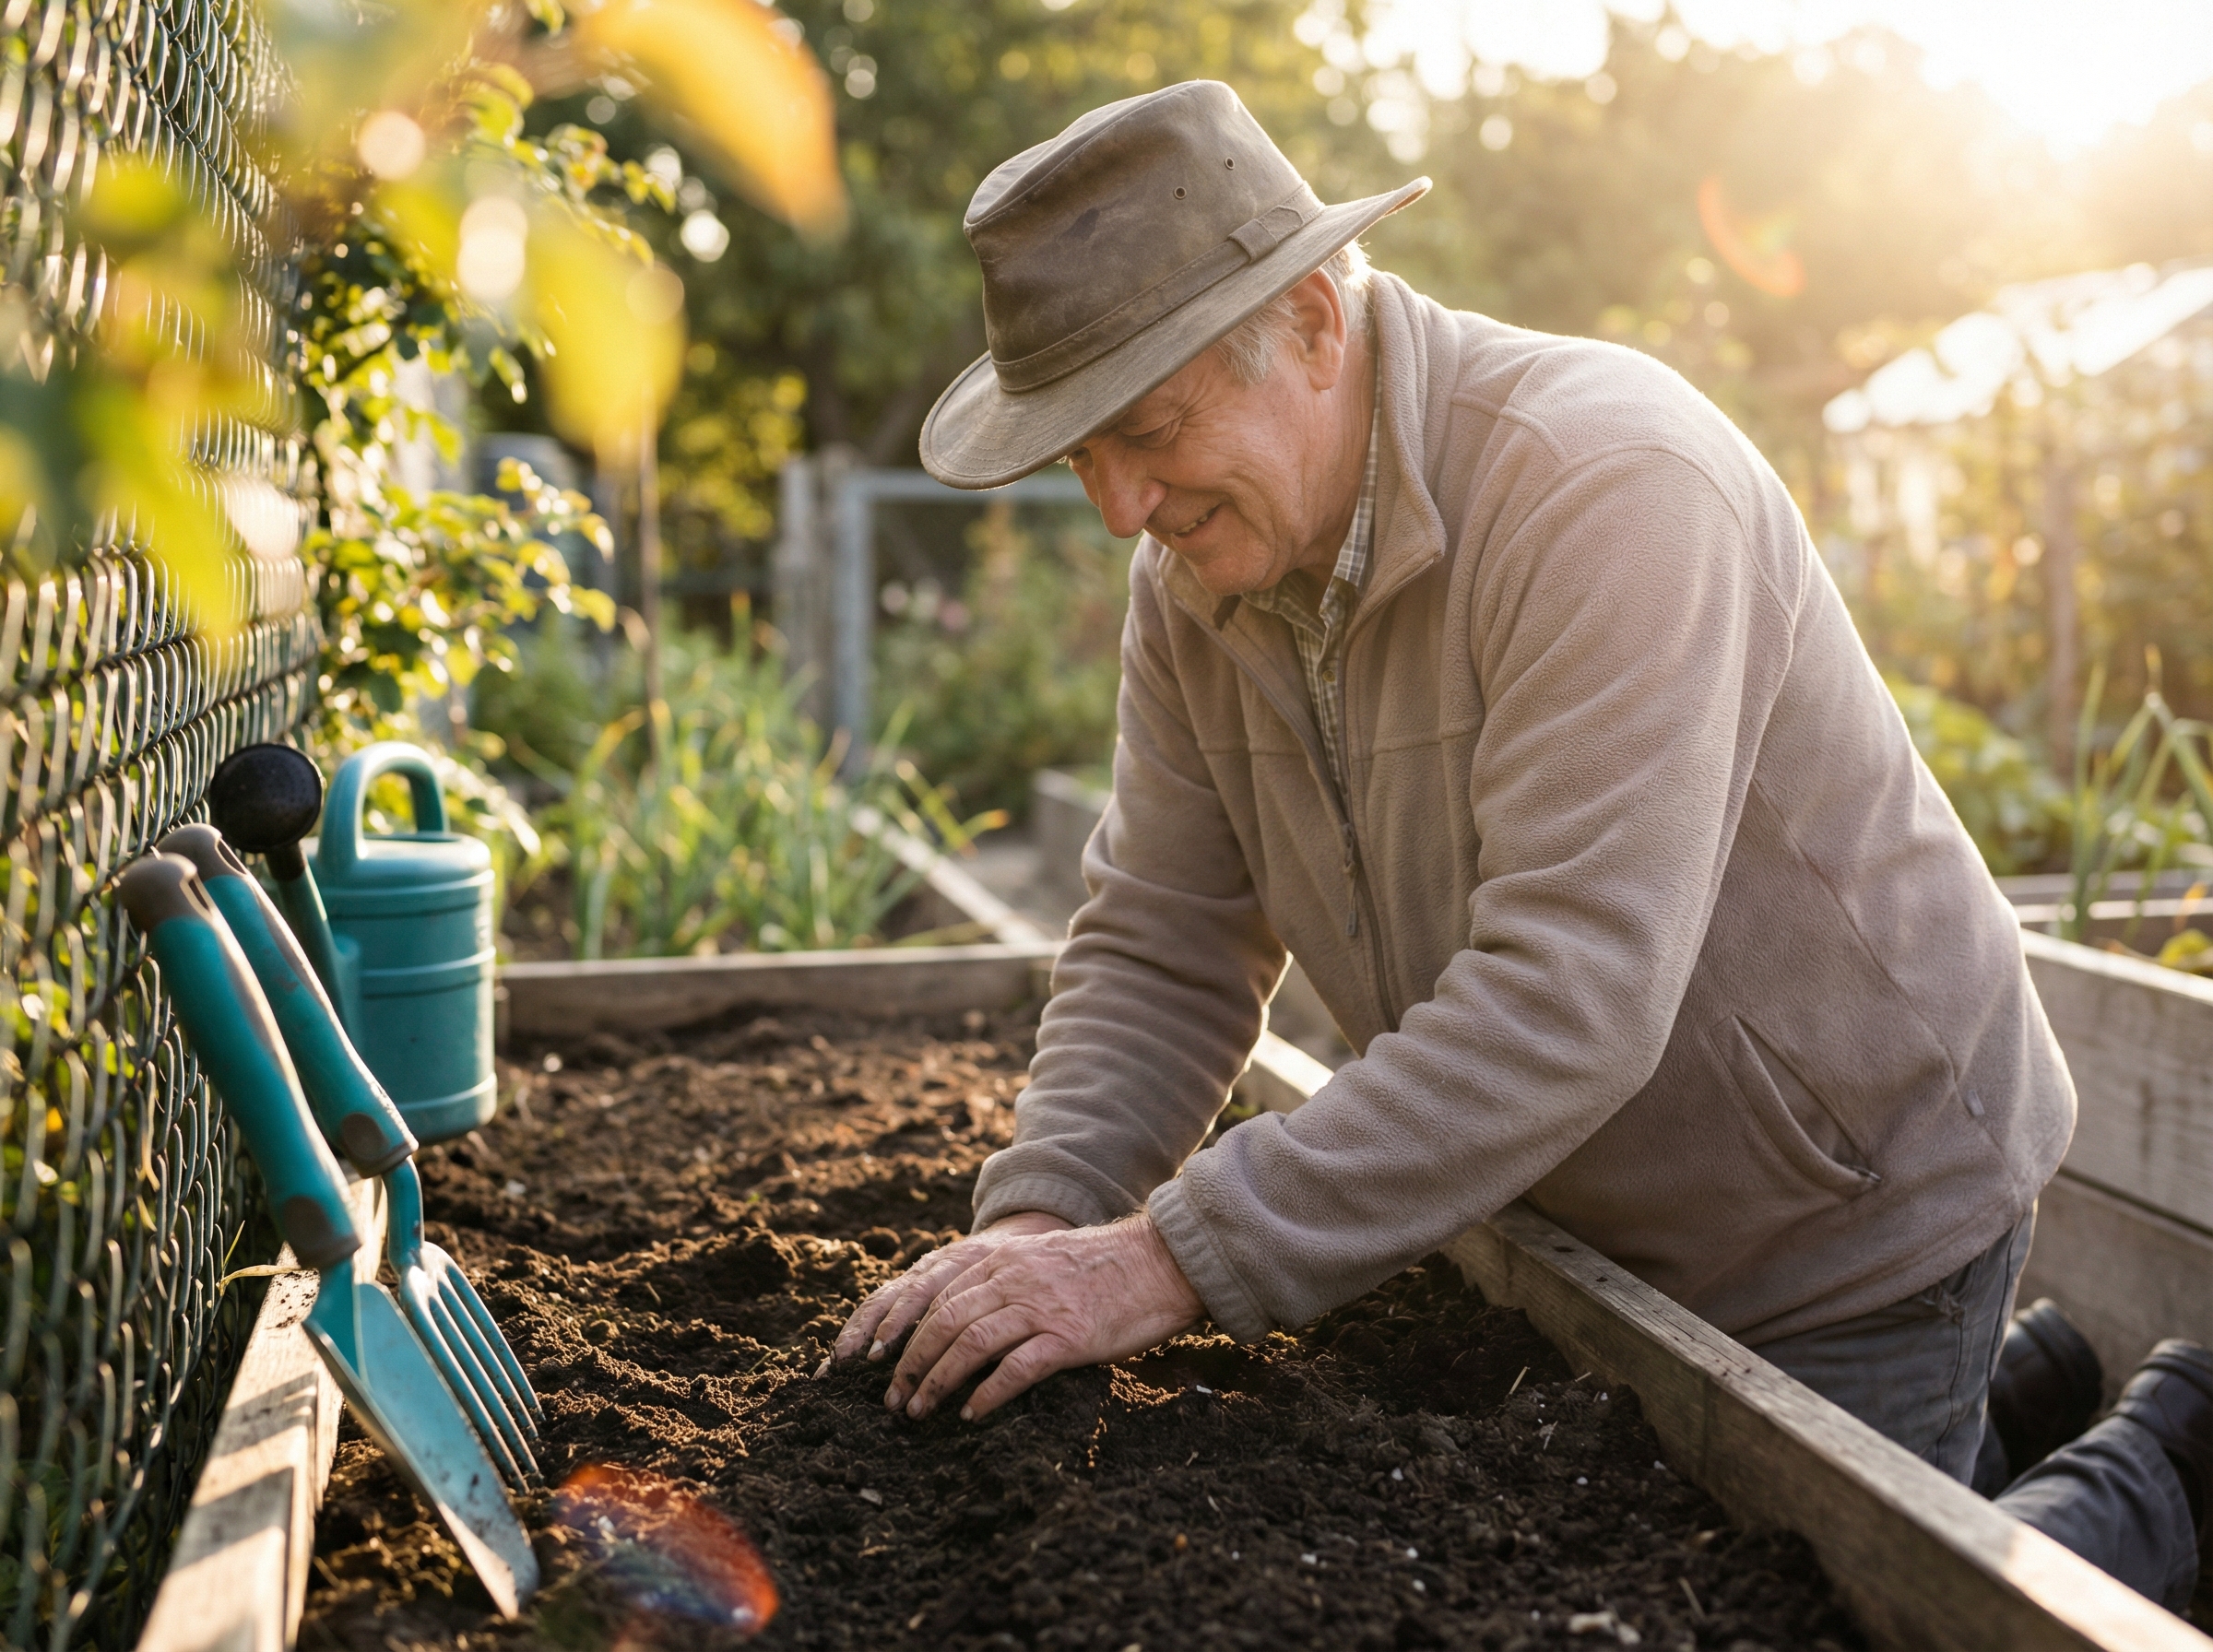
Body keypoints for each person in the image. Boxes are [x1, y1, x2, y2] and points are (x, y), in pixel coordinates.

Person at [830, 79, 2213, 1610]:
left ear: (1309, 323)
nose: (1117, 507)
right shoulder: (1200, 577)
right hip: (1584, 1210)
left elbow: (1573, 995)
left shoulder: (1604, 487)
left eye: (1149, 429)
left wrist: (1158, 1262)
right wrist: (1036, 1236)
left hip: (1846, 1201)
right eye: (1079, 453)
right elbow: (1165, 936)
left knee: (1880, 1613)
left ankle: (2171, 1457)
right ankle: (2028, 1393)